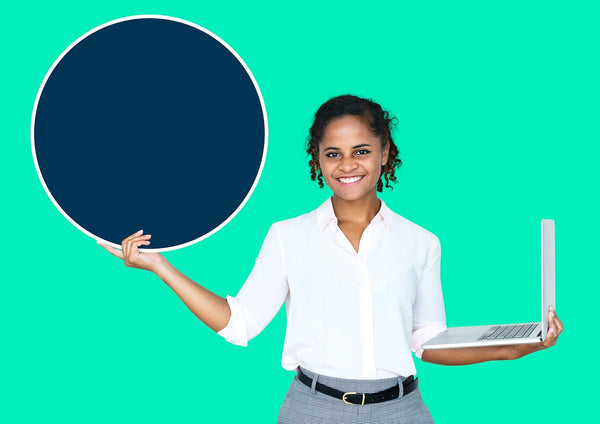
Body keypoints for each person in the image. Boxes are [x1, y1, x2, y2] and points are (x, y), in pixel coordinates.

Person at [99, 94, 563, 423]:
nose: (348, 165)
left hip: (402, 411)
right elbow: (239, 324)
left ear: (385, 153)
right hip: (313, 410)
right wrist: (160, 267)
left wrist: (512, 346)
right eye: (333, 153)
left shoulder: (422, 242)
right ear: (317, 160)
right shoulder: (288, 236)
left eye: (361, 151)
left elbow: (427, 341)